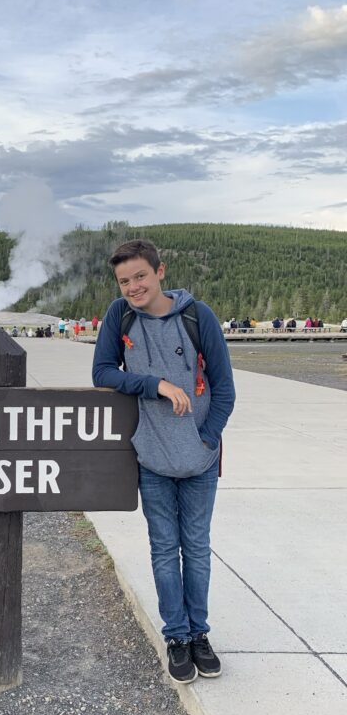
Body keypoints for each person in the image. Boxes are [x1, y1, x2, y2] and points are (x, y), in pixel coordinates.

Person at [93, 239, 235, 685]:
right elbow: (102, 373)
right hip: (152, 456)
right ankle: (176, 637)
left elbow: (225, 389)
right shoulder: (121, 316)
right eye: (124, 280)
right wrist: (154, 384)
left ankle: (200, 635)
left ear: (160, 272)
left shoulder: (198, 316)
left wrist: (206, 439)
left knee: (195, 549)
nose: (133, 286)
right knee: (161, 550)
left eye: (140, 276)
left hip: (200, 460)